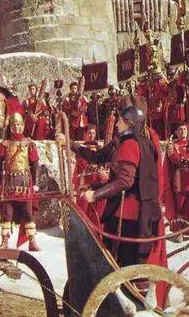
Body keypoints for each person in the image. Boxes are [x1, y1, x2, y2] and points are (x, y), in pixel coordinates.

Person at [63, 106, 161, 267]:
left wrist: (95, 195)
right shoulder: (144, 143)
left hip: (128, 215)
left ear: (129, 123)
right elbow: (101, 159)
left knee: (124, 264)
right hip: (139, 212)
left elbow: (125, 181)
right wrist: (94, 186)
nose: (116, 124)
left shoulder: (130, 144)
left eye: (120, 121)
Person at [0, 112, 41, 251]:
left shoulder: (28, 144)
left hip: (25, 183)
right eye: (14, 124)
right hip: (8, 184)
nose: (17, 127)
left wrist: (35, 183)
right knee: (7, 213)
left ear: (22, 126)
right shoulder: (5, 144)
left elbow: (35, 165)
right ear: (10, 127)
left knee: (28, 213)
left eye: (19, 124)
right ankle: (4, 240)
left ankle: (32, 240)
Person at [72, 125, 108, 226]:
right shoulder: (81, 150)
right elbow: (83, 165)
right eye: (89, 133)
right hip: (85, 183)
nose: (91, 135)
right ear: (85, 134)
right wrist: (97, 169)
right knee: (83, 210)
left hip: (98, 183)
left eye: (93, 133)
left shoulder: (99, 149)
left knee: (97, 211)